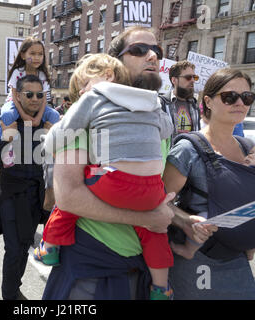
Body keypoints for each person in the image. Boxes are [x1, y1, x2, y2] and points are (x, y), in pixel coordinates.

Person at [42, 26, 210, 300]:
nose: (152, 56)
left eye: (156, 50)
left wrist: (183, 220)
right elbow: (69, 197)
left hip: (142, 269)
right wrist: (147, 218)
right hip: (92, 272)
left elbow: (154, 194)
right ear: (115, 64)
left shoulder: (156, 117)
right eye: (139, 50)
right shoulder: (88, 112)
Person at [36, 53, 175, 299]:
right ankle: (162, 288)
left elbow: (67, 197)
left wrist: (47, 143)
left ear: (108, 75)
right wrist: (151, 216)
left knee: (71, 198)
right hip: (98, 259)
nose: (81, 93)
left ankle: (49, 246)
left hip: (113, 187)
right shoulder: (153, 104)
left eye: (83, 85)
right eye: (139, 50)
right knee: (156, 232)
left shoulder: (94, 99)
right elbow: (167, 129)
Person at [162, 68, 255, 299]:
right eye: (229, 96)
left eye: (247, 97)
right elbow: (158, 202)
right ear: (208, 101)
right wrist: (186, 221)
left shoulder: (248, 147)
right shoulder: (187, 149)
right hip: (199, 260)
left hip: (238, 259)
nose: (240, 103)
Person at [0, 75, 57, 300]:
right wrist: (6, 137)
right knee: (13, 248)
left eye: (39, 95)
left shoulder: (50, 121)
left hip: (36, 194)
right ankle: (10, 294)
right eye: (29, 94)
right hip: (11, 193)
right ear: (18, 96)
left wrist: (54, 136)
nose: (34, 99)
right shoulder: (6, 119)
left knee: (24, 244)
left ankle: (14, 287)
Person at [0, 37, 59, 140]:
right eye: (32, 54)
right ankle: (1, 139)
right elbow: (14, 96)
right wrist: (24, 116)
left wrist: (38, 118)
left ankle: (49, 143)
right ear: (23, 55)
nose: (36, 57)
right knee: (6, 113)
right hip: (15, 103)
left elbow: (44, 99)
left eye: (40, 54)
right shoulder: (17, 72)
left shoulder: (42, 75)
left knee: (54, 114)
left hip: (37, 104)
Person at [160, 61, 201, 142]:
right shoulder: (162, 103)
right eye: (188, 77)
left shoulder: (194, 105)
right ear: (174, 80)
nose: (193, 80)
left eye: (195, 77)